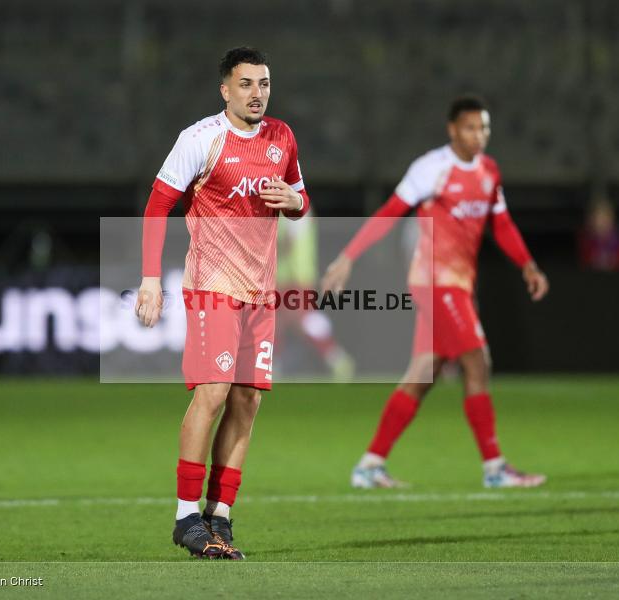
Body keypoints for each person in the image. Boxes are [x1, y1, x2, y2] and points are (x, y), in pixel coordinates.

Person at [321, 95, 549, 489]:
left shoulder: (489, 171)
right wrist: (347, 257)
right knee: (477, 362)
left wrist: (527, 264)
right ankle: (495, 468)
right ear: (453, 129)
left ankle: (369, 466)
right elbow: (390, 212)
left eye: (484, 128)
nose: (479, 135)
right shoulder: (431, 168)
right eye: (470, 128)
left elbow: (502, 223)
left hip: (457, 283)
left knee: (423, 373)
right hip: (434, 280)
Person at [135, 47, 309, 559]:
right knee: (212, 394)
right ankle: (186, 516)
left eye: (264, 84)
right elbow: (157, 205)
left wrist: (297, 203)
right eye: (246, 84)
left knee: (247, 400)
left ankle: (220, 515)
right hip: (213, 285)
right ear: (225, 90)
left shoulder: (282, 138)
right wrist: (150, 280)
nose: (257, 93)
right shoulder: (200, 139)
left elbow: (299, 199)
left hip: (262, 291)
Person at [276, 210, 355, 381]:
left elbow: (288, 243)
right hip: (285, 278)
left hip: (294, 279)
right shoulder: (286, 209)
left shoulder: (295, 208)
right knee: (279, 322)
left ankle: (336, 358)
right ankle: (272, 366)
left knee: (300, 321)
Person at [578, 197, 619, 271]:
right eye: (597, 220)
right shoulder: (586, 239)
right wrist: (595, 259)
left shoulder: (618, 238)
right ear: (590, 222)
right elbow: (583, 258)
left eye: (605, 220)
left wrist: (613, 259)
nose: (601, 224)